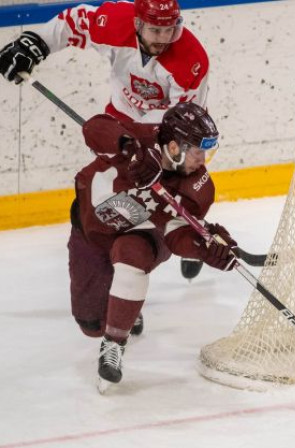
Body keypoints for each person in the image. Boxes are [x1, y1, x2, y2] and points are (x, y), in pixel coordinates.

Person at [0, 0, 210, 287]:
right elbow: (73, 21)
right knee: (119, 195)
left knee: (180, 186)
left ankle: (191, 233)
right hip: (120, 119)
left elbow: (179, 121)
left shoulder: (191, 60)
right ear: (137, 23)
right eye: (155, 30)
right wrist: (36, 42)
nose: (163, 40)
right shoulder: (113, 21)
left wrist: (145, 147)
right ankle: (121, 279)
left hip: (173, 132)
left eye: (169, 31)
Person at [70, 102, 236, 390]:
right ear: (174, 147)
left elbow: (176, 236)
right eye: (198, 151)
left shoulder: (198, 186)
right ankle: (125, 308)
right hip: (90, 231)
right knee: (90, 324)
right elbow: (94, 128)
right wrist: (126, 146)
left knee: (131, 257)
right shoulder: (140, 138)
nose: (203, 159)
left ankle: (114, 345)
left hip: (142, 236)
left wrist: (202, 249)